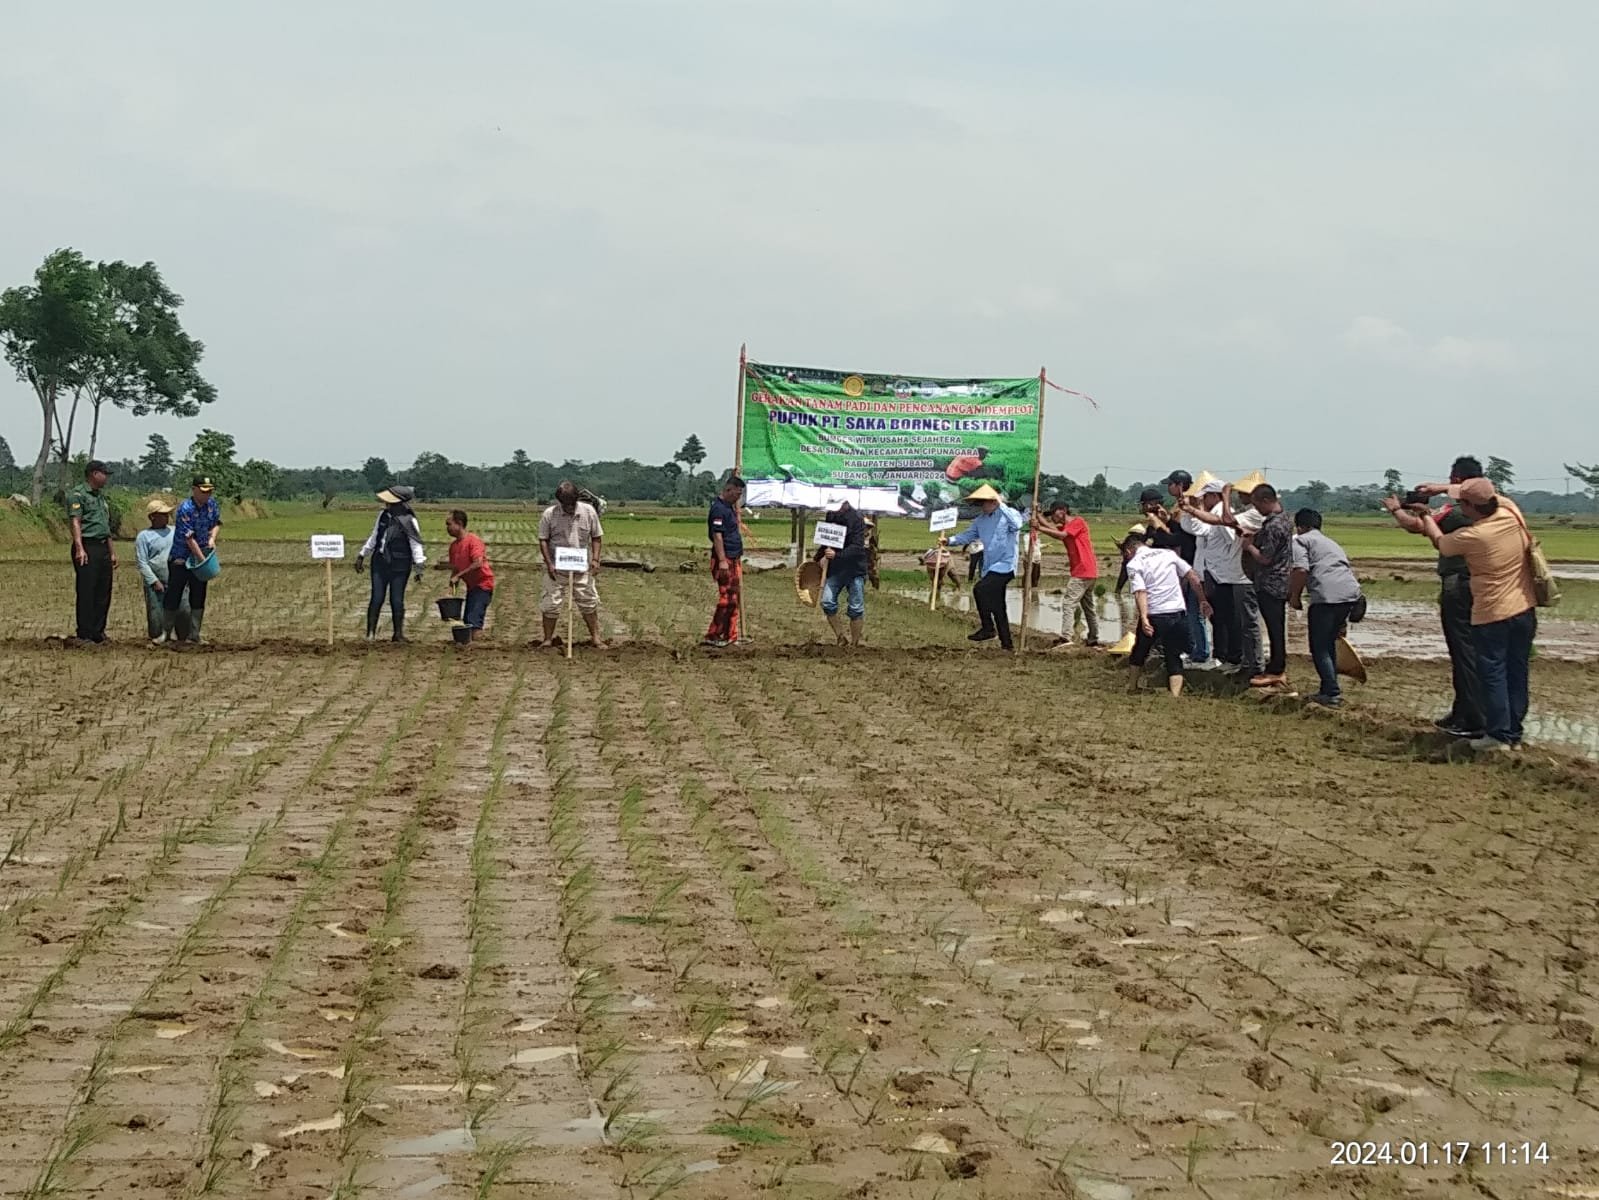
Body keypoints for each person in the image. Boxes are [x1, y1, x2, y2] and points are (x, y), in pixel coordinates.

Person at [1383, 477, 1535, 752]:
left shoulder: (1474, 536)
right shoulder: (1509, 511)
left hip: (1493, 612)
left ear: (1467, 506)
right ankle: (1513, 733)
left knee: (1493, 673)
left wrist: (1425, 513)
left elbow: (1441, 543)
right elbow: (1490, 496)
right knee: (1517, 673)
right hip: (1524, 608)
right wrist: (1440, 489)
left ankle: (1498, 735)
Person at [1382, 455, 1485, 737]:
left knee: (1463, 650)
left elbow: (1416, 526)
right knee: (1472, 650)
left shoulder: (1458, 511)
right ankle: (1464, 711)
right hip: (1480, 585)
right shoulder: (1491, 507)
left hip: (1459, 584)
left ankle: (1472, 717)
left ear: (1456, 480)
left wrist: (1397, 510)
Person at [1121, 528, 1211, 696]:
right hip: (1177, 612)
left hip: (1155, 613)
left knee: (1140, 650)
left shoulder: (1134, 563)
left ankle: (1132, 687)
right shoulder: (1168, 554)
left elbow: (1140, 591)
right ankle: (1175, 695)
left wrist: (1144, 618)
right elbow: (1192, 575)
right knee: (1173, 653)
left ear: (1128, 551)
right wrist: (1202, 599)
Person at [1289, 509, 1362, 707]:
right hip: (1350, 595)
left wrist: (1294, 596)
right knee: (1329, 641)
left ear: (1300, 527)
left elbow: (1301, 569)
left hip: (1327, 597)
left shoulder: (1300, 541)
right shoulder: (1331, 543)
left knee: (1320, 646)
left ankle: (1331, 692)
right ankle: (1328, 688)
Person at [946, 483, 1024, 651]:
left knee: (980, 589)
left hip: (1005, 565)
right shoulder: (980, 520)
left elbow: (1017, 525)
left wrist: (1000, 504)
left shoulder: (1009, 514)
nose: (983, 506)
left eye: (986, 502)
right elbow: (968, 535)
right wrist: (949, 541)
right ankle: (1007, 645)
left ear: (993, 501)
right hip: (990, 566)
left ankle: (988, 628)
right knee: (998, 607)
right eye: (981, 503)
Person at [1179, 481, 1248, 669]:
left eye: (1204, 497)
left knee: (1227, 618)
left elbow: (1228, 534)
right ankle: (1221, 655)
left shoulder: (1223, 513)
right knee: (1218, 617)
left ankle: (1228, 656)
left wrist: (1195, 511)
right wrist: (1190, 510)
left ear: (1215, 496)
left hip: (1226, 573)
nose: (1202, 500)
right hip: (1212, 573)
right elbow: (1196, 528)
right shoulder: (1213, 514)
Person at [539, 481, 606, 649]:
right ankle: (547, 639)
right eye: (565, 504)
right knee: (551, 604)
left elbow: (596, 537)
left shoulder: (588, 512)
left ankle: (596, 638)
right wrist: (549, 564)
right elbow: (543, 540)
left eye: (571, 504)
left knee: (588, 601)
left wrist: (596, 559)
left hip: (581, 566)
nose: (568, 508)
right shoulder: (549, 514)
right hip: (556, 568)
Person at [355, 485, 425, 642]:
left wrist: (419, 566)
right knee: (377, 597)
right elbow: (374, 537)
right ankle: (370, 633)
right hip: (379, 562)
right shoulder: (383, 516)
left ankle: (398, 634)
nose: (387, 504)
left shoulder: (409, 520)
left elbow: (415, 544)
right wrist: (362, 554)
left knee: (396, 599)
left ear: (399, 503)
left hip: (400, 565)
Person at [1152, 475, 1210, 665]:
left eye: (1170, 484)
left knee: (1196, 611)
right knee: (1192, 611)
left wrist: (1160, 526)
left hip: (1194, 564)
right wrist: (1168, 520)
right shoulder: (1181, 508)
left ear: (1180, 486)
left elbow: (1180, 538)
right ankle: (1197, 649)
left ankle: (1201, 651)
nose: (1168, 488)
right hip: (1192, 562)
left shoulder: (1189, 507)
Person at [1242, 485, 1294, 687]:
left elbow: (1265, 558)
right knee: (1276, 626)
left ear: (1265, 501)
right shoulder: (1284, 520)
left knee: (1274, 627)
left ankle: (1276, 669)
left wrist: (1249, 547)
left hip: (1270, 582)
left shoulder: (1273, 526)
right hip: (1279, 581)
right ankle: (1276, 665)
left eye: (1256, 505)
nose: (1256, 509)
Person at [165, 475, 223, 645]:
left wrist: (212, 539)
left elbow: (216, 523)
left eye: (209, 492)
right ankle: (166, 633)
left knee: (198, 596)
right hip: (182, 558)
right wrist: (203, 560)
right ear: (194, 490)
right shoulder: (185, 508)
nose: (207, 495)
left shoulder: (212, 505)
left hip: (202, 554)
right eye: (204, 491)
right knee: (174, 595)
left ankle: (194, 634)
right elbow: (189, 539)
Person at [1032, 501, 1100, 646]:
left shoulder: (1078, 521)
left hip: (1082, 570)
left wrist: (1040, 528)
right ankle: (1093, 638)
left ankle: (1066, 637)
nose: (1052, 518)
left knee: (1069, 603)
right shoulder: (1067, 526)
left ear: (1062, 511)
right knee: (1088, 606)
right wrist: (1037, 515)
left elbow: (1061, 535)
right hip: (1088, 570)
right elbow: (1052, 528)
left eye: (1053, 513)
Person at [67, 459, 116, 644]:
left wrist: (111, 552)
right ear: (94, 474)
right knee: (87, 589)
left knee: (104, 590)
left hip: (102, 546)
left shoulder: (100, 497)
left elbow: (105, 526)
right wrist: (80, 548)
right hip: (87, 546)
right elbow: (75, 522)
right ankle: (85, 632)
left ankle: (98, 631)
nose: (106, 478)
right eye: (104, 474)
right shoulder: (78, 495)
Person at [135, 499, 190, 644]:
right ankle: (157, 639)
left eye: (167, 514)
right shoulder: (144, 536)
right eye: (162, 514)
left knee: (184, 611)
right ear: (152, 517)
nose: (166, 517)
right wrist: (153, 581)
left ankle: (184, 640)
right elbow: (142, 562)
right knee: (157, 615)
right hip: (157, 581)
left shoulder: (175, 531)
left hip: (178, 579)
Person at [815, 499, 869, 646]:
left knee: (856, 608)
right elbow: (826, 540)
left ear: (845, 504)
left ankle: (855, 643)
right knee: (827, 602)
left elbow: (858, 547)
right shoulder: (831, 515)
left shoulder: (857, 519)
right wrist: (819, 558)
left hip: (854, 569)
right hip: (835, 570)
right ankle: (840, 637)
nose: (835, 511)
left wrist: (837, 555)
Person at [438, 509, 495, 641]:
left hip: (483, 585)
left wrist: (458, 576)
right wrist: (451, 592)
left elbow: (478, 563)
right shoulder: (454, 546)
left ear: (459, 523)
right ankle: (471, 644)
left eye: (449, 524)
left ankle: (475, 648)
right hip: (472, 587)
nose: (447, 528)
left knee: (473, 620)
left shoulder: (473, 541)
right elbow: (455, 570)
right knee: (467, 620)